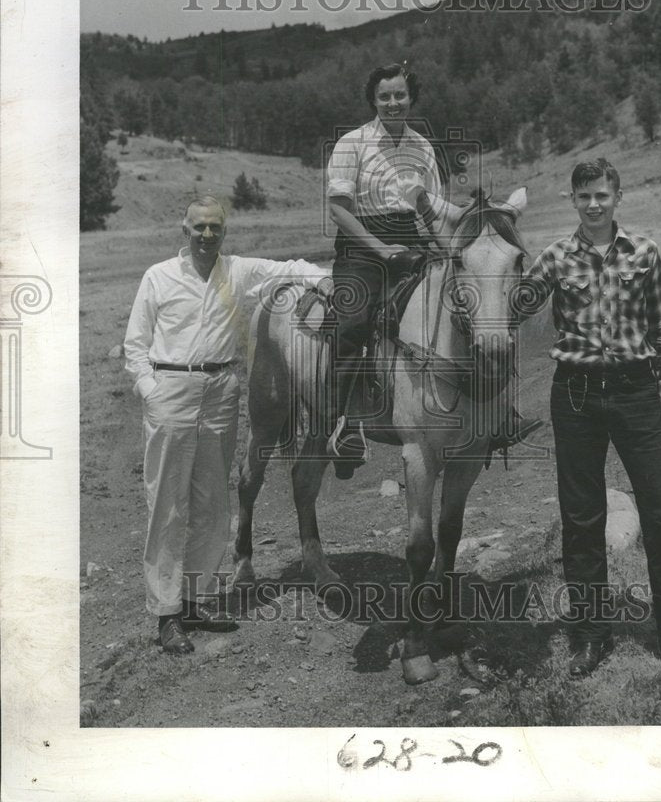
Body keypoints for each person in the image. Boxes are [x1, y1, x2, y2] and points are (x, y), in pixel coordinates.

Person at [124, 195, 330, 655]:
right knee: (168, 506)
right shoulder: (158, 276)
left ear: (225, 230)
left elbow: (291, 268)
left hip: (221, 390)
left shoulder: (237, 271)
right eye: (200, 227)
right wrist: (150, 391)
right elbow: (135, 344)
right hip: (171, 389)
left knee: (212, 502)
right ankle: (166, 614)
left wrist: (334, 280)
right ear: (185, 229)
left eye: (215, 227)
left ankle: (196, 601)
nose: (207, 235)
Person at [526, 159, 661, 676]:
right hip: (574, 395)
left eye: (602, 195)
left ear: (617, 196)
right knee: (582, 520)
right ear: (572, 200)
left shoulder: (644, 251)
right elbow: (514, 305)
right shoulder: (554, 257)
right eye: (584, 197)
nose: (594, 204)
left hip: (636, 391)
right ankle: (589, 637)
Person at [325, 62, 442, 473]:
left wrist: (444, 248)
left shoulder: (423, 147)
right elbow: (339, 212)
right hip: (361, 245)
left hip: (412, 240)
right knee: (354, 320)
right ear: (373, 100)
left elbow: (430, 210)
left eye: (400, 95)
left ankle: (488, 417)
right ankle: (342, 424)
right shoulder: (352, 144)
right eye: (385, 96)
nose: (393, 103)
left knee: (461, 309)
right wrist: (381, 249)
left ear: (411, 98)